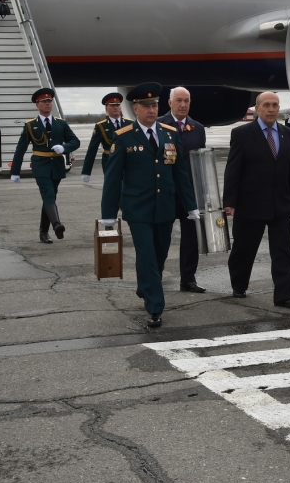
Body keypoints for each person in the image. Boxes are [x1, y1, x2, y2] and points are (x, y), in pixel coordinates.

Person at [100, 83, 199, 328]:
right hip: (138, 209)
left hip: (165, 206)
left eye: (154, 105)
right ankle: (155, 306)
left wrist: (191, 205)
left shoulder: (169, 133)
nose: (151, 110)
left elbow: (180, 173)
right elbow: (113, 179)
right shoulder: (123, 136)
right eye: (146, 106)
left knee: (160, 253)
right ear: (135, 109)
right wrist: (108, 215)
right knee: (146, 255)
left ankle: (145, 285)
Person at [223, 92, 290, 307]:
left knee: (283, 251)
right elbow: (233, 170)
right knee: (244, 249)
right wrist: (229, 201)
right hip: (250, 204)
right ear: (257, 109)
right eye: (266, 105)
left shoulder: (287, 133)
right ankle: (239, 285)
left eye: (275, 105)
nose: (271, 109)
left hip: (281, 204)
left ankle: (284, 295)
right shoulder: (241, 134)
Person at [10, 88, 81, 244]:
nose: (48, 104)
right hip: (40, 164)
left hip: (56, 164)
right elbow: (20, 149)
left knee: (50, 197)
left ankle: (43, 232)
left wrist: (64, 148)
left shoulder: (61, 124)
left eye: (49, 101)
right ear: (37, 105)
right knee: (48, 193)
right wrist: (15, 171)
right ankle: (56, 224)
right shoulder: (30, 125)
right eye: (44, 102)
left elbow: (75, 141)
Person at [158, 87, 208, 293]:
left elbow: (200, 162)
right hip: (166, 193)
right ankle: (156, 277)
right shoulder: (159, 125)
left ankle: (188, 279)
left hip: (191, 193)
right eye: (179, 100)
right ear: (170, 103)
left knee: (191, 239)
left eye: (186, 101)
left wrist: (203, 193)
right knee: (161, 239)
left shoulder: (197, 128)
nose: (183, 105)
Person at [81, 92, 132, 182]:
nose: (115, 107)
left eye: (117, 105)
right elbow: (92, 149)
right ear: (106, 108)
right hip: (110, 161)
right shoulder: (101, 126)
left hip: (128, 161)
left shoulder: (130, 124)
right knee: (113, 189)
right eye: (112, 105)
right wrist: (86, 171)